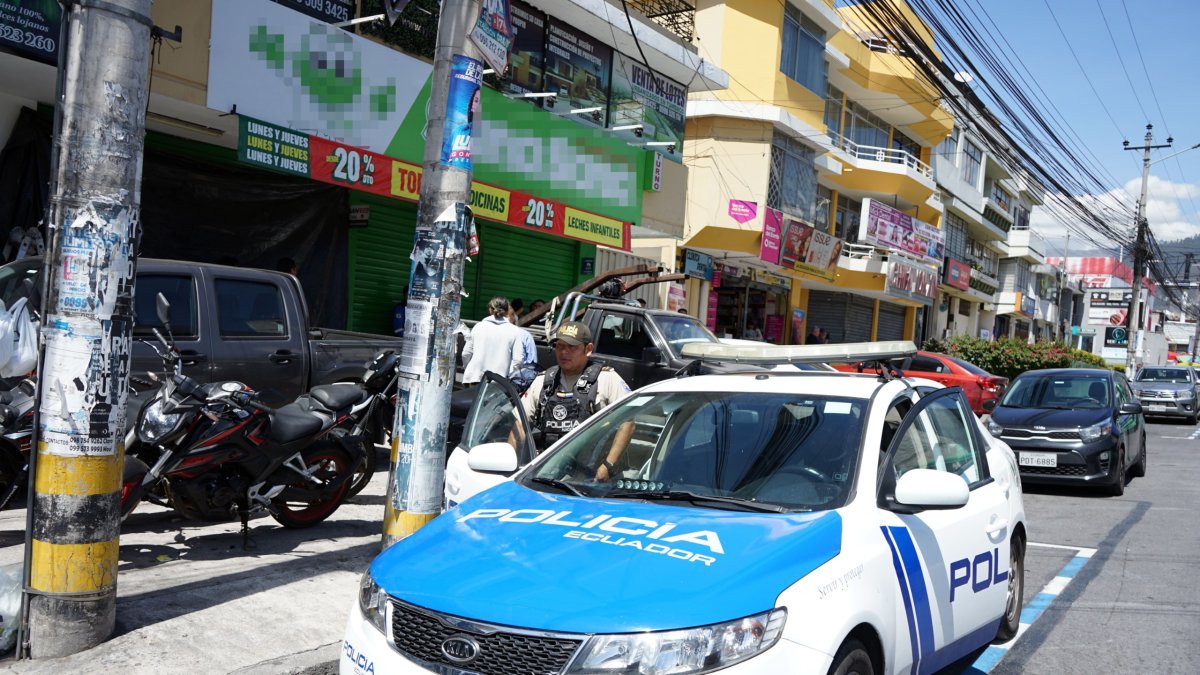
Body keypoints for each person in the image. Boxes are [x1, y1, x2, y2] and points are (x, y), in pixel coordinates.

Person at [516, 321, 632, 480]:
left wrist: (608, 465)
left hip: (597, 480)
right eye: (560, 346)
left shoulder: (607, 379)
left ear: (588, 349)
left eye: (572, 347)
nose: (564, 352)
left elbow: (628, 422)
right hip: (549, 478)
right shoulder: (543, 381)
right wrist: (510, 463)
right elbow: (519, 426)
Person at [461, 297, 523, 385]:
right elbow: (518, 360)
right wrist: (509, 377)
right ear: (507, 311)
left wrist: (469, 370)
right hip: (499, 383)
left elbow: (466, 354)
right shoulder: (515, 331)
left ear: (490, 310)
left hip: (475, 378)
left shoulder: (478, 327)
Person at [508, 304, 538, 390]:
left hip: (515, 383)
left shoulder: (524, 335)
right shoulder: (524, 335)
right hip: (514, 384)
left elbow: (531, 365)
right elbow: (531, 363)